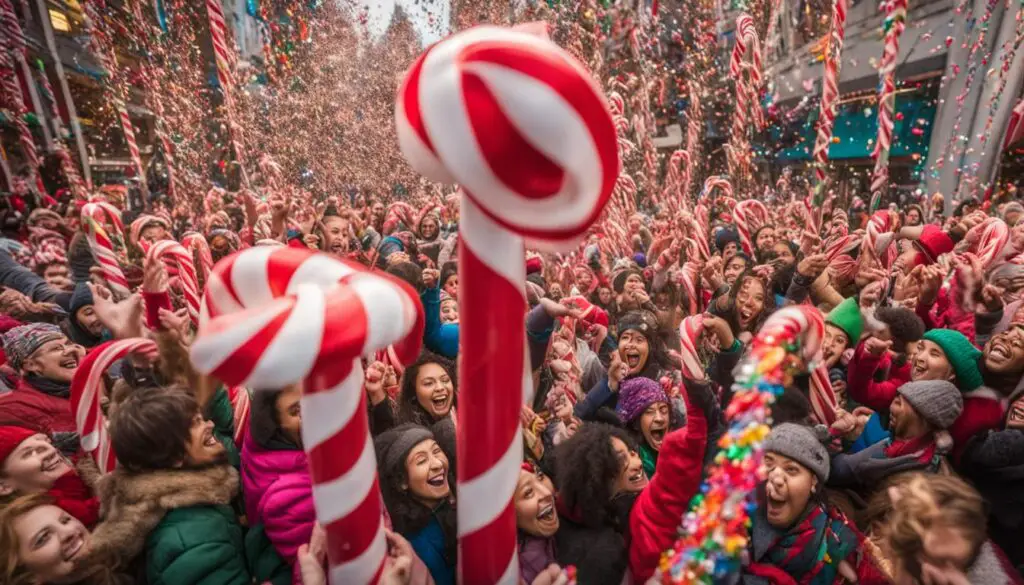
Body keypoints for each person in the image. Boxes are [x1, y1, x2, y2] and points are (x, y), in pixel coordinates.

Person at [98, 384, 289, 585]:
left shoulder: (189, 505)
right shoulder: (193, 537)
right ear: (173, 455)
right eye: (196, 423)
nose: (210, 425)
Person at [742, 423, 890, 584]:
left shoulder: (841, 547)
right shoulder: (733, 522)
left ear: (813, 482)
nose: (776, 479)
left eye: (791, 469)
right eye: (768, 464)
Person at [880, 474, 1022, 584]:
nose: (939, 572)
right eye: (937, 560)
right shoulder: (905, 549)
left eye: (953, 562)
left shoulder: (990, 577)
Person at [241, 386, 316, 583]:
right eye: (296, 411)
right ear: (274, 425)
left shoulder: (262, 447)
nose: (310, 414)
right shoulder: (287, 498)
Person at [376, 423, 457, 585]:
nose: (437, 464)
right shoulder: (413, 545)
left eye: (436, 451)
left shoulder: (454, 511)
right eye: (421, 461)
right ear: (402, 482)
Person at [0, 323, 81, 452]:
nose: (71, 350)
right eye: (56, 348)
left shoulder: (95, 382)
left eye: (69, 344)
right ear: (31, 365)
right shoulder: (15, 408)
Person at [0, 426, 99, 527]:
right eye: (29, 453)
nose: (52, 450)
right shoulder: (27, 525)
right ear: (3, 486)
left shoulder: (87, 467)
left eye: (47, 443)